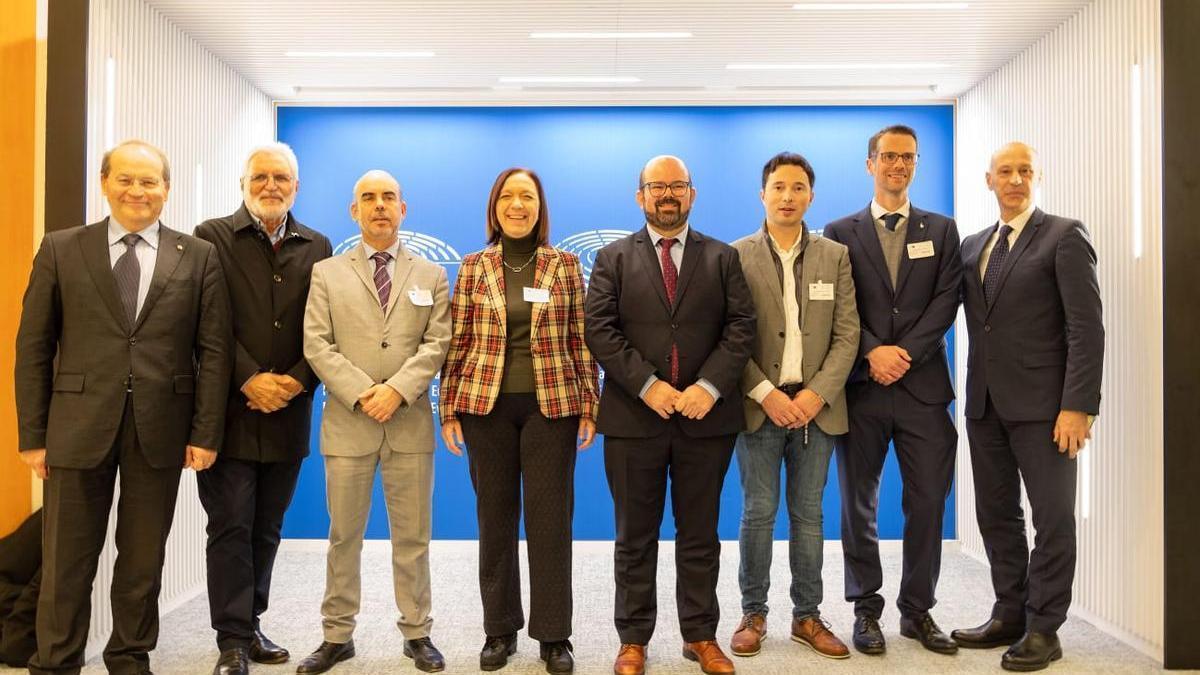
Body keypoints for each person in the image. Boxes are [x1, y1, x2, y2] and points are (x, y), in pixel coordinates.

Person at [14, 139, 232, 674]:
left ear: (166, 189)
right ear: (106, 183)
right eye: (126, 180)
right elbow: (34, 347)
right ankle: (57, 660)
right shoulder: (63, 248)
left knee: (141, 560)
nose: (138, 191)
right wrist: (33, 435)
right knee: (67, 559)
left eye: (149, 181)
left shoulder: (198, 255)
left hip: (161, 429)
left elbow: (215, 351)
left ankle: (130, 656)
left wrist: (205, 434)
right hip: (75, 428)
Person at [585, 155, 756, 675]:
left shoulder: (723, 258)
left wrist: (708, 386)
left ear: (692, 194)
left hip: (706, 419)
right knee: (634, 536)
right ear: (640, 196)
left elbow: (741, 328)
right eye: (657, 186)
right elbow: (600, 330)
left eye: (677, 186)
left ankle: (700, 635)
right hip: (634, 419)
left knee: (700, 534)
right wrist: (647, 385)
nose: (667, 195)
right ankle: (633, 639)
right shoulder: (612, 258)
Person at [439, 167, 599, 674]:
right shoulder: (472, 266)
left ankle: (554, 636)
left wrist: (589, 405)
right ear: (495, 206)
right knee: (495, 520)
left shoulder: (566, 266)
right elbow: (456, 340)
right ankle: (499, 630)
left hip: (551, 406)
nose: (517, 205)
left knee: (551, 524)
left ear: (539, 206)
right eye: (507, 196)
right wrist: (447, 408)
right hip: (484, 407)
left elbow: (582, 342)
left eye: (526, 196)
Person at [953, 142, 1103, 672]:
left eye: (1025, 171)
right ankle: (1009, 613)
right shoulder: (972, 247)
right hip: (985, 406)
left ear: (1036, 177)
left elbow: (1086, 329)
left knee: (1054, 518)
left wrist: (1079, 406)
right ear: (988, 180)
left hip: (1047, 409)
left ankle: (1045, 628)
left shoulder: (1064, 236)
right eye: (1005, 172)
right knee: (997, 515)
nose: (1015, 179)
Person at [300, 170, 451, 674]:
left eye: (389, 198)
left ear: (403, 209)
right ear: (354, 211)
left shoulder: (431, 274)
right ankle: (337, 635)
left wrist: (397, 391)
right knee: (344, 536)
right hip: (348, 424)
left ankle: (417, 632)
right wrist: (367, 393)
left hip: (408, 424)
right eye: (369, 198)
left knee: (413, 538)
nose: (379, 205)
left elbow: (437, 343)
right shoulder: (326, 272)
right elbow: (316, 344)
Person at [822, 125, 964, 656]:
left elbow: (946, 302)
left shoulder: (943, 230)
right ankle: (865, 609)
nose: (896, 165)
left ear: (915, 164)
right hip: (861, 388)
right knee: (859, 503)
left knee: (927, 501)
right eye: (887, 156)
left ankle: (918, 611)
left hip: (924, 389)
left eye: (907, 157)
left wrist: (903, 355)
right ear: (869, 163)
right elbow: (834, 307)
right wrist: (872, 351)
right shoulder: (838, 232)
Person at [194, 142, 333, 675]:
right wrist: (249, 377)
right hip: (227, 411)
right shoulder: (211, 238)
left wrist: (295, 382)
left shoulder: (317, 245)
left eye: (281, 178)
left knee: (267, 528)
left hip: (289, 412)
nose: (270, 186)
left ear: (296, 186)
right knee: (230, 524)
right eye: (260, 177)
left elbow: (325, 330)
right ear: (243, 183)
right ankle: (230, 640)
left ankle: (251, 624)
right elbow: (207, 324)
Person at [728, 152, 859, 660]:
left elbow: (848, 335)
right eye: (779, 187)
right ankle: (753, 613)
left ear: (811, 195)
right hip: (759, 408)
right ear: (763, 194)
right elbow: (729, 338)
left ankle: (807, 616)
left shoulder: (836, 256)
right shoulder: (735, 256)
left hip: (816, 410)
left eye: (798, 187)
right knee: (758, 513)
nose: (788, 196)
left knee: (809, 515)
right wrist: (764, 392)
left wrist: (814, 394)